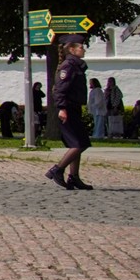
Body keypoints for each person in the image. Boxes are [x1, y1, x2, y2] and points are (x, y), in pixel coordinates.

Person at [47, 38, 93, 190]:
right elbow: (60, 89)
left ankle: (74, 177)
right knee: (80, 143)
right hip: (68, 109)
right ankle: (57, 169)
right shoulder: (68, 66)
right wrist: (61, 108)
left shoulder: (76, 65)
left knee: (77, 143)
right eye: (81, 47)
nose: (84, 49)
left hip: (74, 108)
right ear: (72, 49)